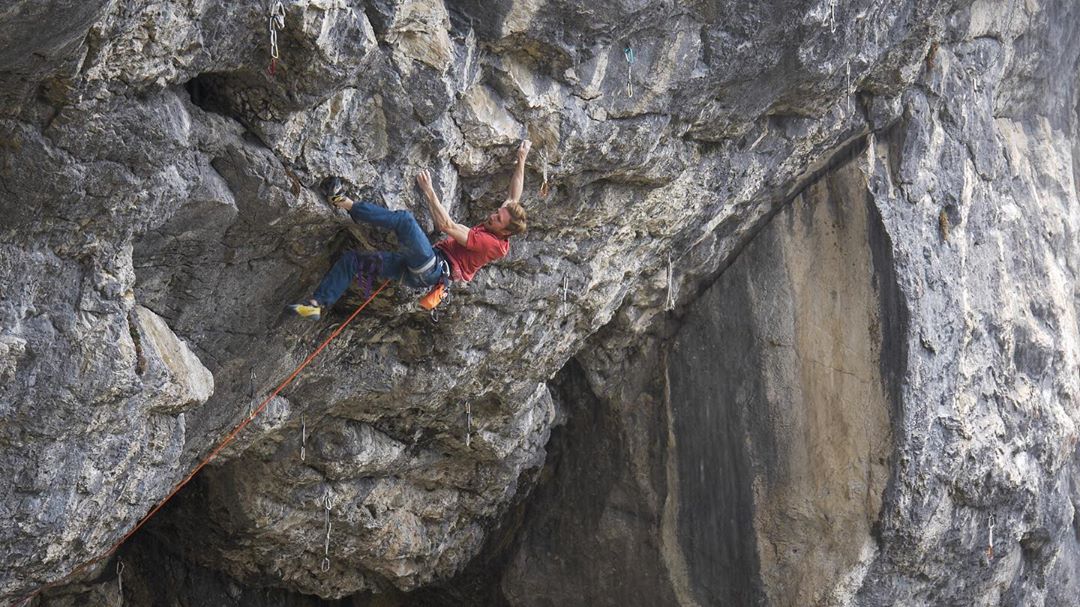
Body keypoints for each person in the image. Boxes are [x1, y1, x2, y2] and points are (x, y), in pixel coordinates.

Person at [288, 140, 531, 319]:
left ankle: (342, 202)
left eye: (497, 219)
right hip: (417, 272)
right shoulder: (503, 223)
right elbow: (513, 196)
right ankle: (316, 303)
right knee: (353, 260)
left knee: (404, 220)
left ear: (505, 231)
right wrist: (521, 159)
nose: (492, 216)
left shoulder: (491, 244)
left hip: (432, 267)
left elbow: (446, 226)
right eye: (497, 213)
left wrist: (429, 191)